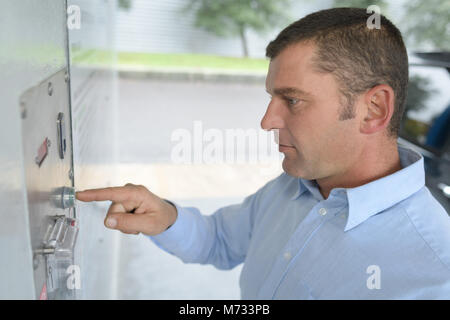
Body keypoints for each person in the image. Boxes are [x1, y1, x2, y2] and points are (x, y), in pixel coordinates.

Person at [76, 8, 450, 299]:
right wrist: (166, 218)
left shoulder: (433, 276)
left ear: (373, 110)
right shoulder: (294, 186)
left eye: (292, 100)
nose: (267, 121)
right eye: (271, 98)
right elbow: (220, 241)